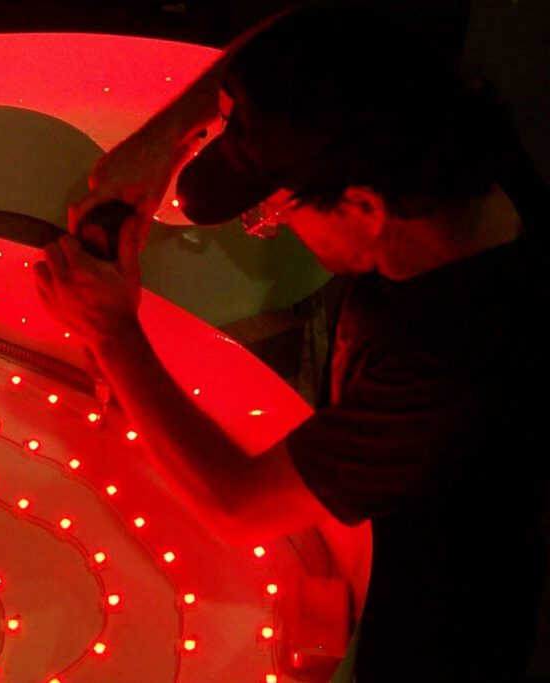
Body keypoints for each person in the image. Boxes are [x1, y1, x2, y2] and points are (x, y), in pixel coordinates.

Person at [34, 3, 549, 681]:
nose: (270, 224)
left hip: (436, 607)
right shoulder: (442, 136)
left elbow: (238, 504)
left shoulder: (446, 367)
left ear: (364, 205)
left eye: (276, 209)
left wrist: (112, 330)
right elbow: (297, 29)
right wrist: (167, 139)